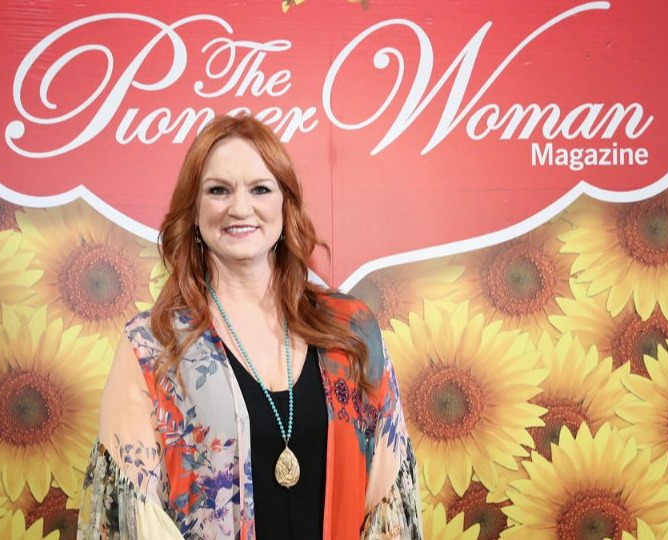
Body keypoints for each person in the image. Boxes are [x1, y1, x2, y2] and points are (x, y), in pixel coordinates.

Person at [77, 114, 421, 539]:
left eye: (260, 188)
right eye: (218, 190)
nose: (240, 208)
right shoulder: (152, 348)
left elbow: (388, 505)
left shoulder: (351, 331)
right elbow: (131, 521)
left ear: (285, 203)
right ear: (195, 210)